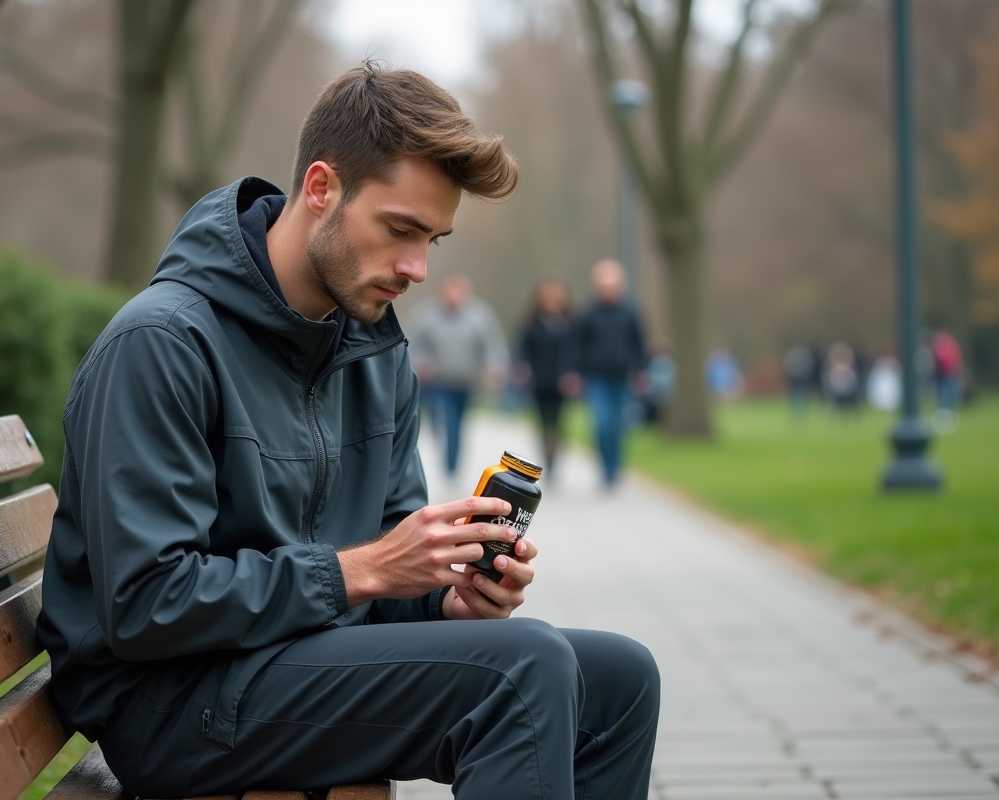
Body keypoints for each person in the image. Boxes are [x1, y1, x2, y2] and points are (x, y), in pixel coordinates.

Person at [36, 63, 659, 800]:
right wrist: (360, 570)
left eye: (433, 239)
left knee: (621, 678)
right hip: (170, 701)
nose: (417, 268)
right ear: (322, 188)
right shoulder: (162, 343)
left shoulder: (374, 355)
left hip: (296, 663)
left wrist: (447, 601)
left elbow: (386, 570)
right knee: (524, 670)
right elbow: (146, 604)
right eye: (400, 230)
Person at [408, 274, 508, 478]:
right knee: (448, 420)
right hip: (438, 381)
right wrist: (420, 363)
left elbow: (493, 345)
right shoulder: (427, 315)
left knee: (459, 422)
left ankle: (454, 460)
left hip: (466, 381)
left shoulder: (479, 315)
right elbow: (412, 343)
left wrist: (494, 366)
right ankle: (449, 464)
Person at [569, 260, 646, 489]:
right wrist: (574, 373)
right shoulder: (588, 313)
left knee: (619, 424)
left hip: (622, 377)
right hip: (596, 378)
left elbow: (638, 343)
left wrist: (640, 371)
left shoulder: (630, 312)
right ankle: (605, 467)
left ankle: (616, 467)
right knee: (602, 423)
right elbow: (577, 345)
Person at [513, 279, 575, 475]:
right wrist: (523, 367)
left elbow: (576, 352)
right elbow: (523, 350)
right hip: (540, 381)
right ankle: (546, 453)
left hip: (562, 382)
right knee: (543, 421)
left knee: (558, 422)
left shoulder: (571, 323)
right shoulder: (532, 323)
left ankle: (555, 454)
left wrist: (573, 373)